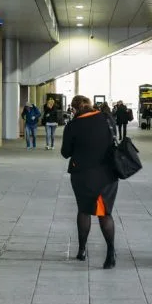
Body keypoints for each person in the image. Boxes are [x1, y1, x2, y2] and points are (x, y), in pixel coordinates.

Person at [61, 95, 118, 269]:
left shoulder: (73, 126)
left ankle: (82, 250)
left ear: (75, 109)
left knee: (84, 210)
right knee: (104, 213)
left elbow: (65, 152)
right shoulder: (107, 118)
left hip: (83, 175)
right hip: (108, 173)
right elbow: (113, 139)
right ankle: (110, 252)